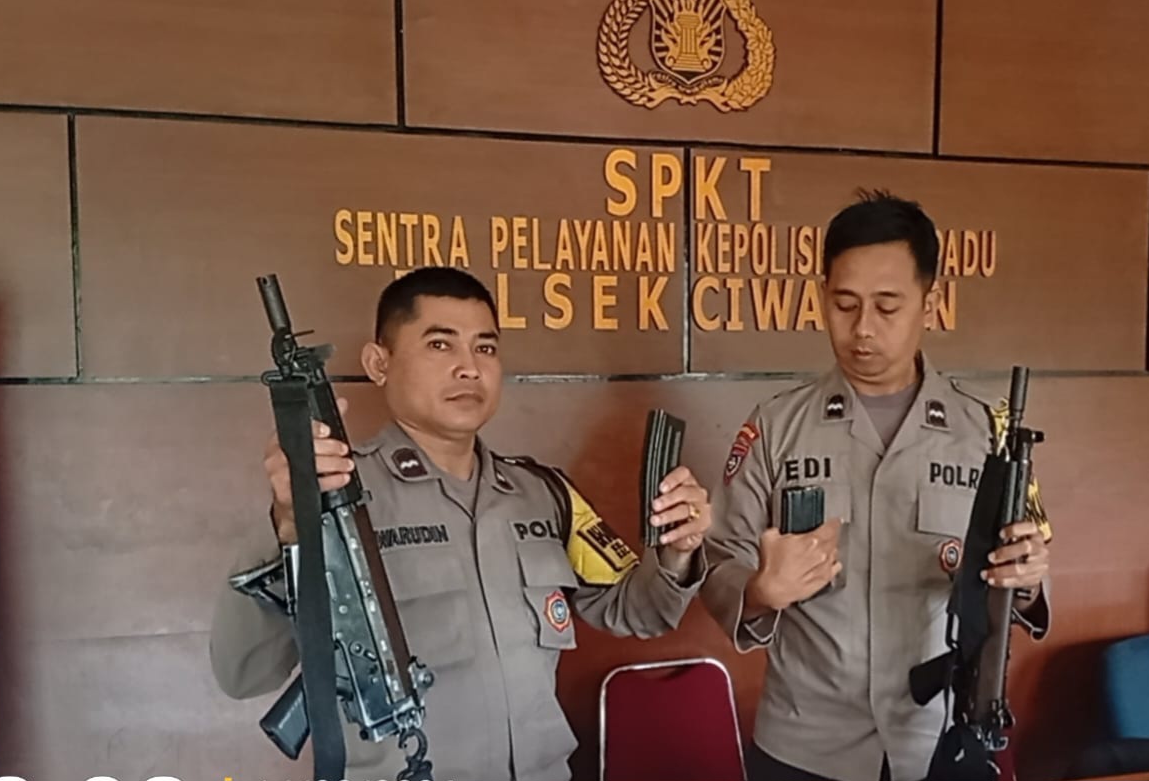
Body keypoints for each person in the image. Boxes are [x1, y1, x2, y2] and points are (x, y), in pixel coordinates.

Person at [209, 267, 714, 781]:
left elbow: (640, 612)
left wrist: (678, 549)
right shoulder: (331, 498)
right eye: (440, 345)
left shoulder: (545, 495)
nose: (469, 367)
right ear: (379, 363)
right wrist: (290, 523)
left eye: (485, 348)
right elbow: (242, 672)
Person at [699, 190, 1054, 781]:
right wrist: (759, 590)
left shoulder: (984, 434)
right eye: (844, 305)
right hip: (805, 747)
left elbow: (1023, 571)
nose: (862, 329)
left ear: (930, 303)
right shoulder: (777, 427)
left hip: (940, 739)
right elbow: (719, 563)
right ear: (822, 297)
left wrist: (1028, 579)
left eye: (887, 307)